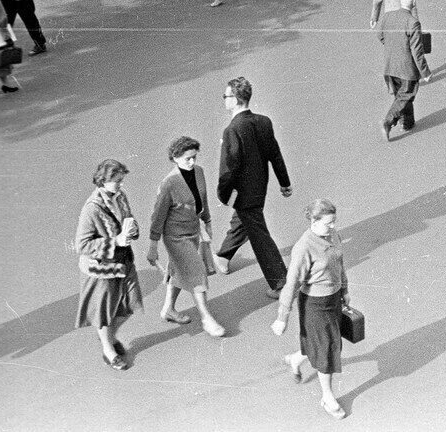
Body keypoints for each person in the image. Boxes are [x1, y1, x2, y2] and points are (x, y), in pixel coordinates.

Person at [215, 76, 292, 296]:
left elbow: (228, 168)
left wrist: (223, 195)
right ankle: (223, 257)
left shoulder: (232, 130)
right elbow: (274, 154)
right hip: (260, 188)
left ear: (236, 99)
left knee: (259, 235)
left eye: (226, 96)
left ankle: (281, 283)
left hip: (243, 193)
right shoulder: (263, 121)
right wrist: (284, 183)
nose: (224, 100)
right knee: (244, 219)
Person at [273, 199, 350, 420]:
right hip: (315, 305)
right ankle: (328, 397)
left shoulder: (334, 236)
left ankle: (297, 359)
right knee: (326, 348)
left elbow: (339, 264)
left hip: (333, 299)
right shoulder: (304, 247)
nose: (333, 227)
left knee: (323, 343)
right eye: (328, 223)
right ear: (314, 222)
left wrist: (344, 289)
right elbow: (292, 283)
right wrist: (282, 317)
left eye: (334, 221)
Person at [147, 136, 225, 338]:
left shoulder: (199, 172)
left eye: (194, 157)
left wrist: (207, 222)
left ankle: (169, 310)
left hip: (193, 231)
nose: (192, 162)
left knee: (179, 271)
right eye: (187, 158)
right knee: (196, 271)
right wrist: (153, 246)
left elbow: (203, 199)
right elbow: (157, 217)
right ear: (175, 158)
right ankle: (207, 318)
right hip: (175, 237)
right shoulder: (169, 183)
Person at [75, 159, 143, 371]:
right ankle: (108, 349)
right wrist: (116, 241)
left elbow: (128, 218)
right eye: (117, 181)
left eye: (122, 180)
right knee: (104, 313)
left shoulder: (120, 196)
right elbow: (82, 245)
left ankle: (109, 337)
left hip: (124, 261)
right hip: (102, 269)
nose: (121, 185)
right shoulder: (91, 209)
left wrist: (132, 230)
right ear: (103, 181)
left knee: (130, 305)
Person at [378, 0, 431, 140]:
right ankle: (388, 122)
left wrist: (392, 47)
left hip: (390, 65)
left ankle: (407, 122)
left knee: (400, 96)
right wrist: (425, 72)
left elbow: (380, 35)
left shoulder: (388, 16)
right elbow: (417, 51)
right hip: (406, 68)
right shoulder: (413, 22)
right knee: (406, 95)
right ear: (413, 3)